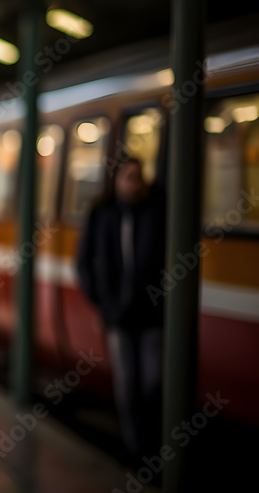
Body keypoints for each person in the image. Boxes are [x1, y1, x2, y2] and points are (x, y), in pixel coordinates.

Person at [76, 157, 166, 463]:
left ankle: (153, 439)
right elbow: (84, 261)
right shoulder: (102, 214)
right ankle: (136, 447)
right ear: (116, 181)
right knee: (126, 380)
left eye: (139, 178)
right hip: (116, 314)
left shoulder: (157, 209)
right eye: (129, 177)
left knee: (154, 378)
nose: (135, 184)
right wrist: (101, 302)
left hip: (153, 313)